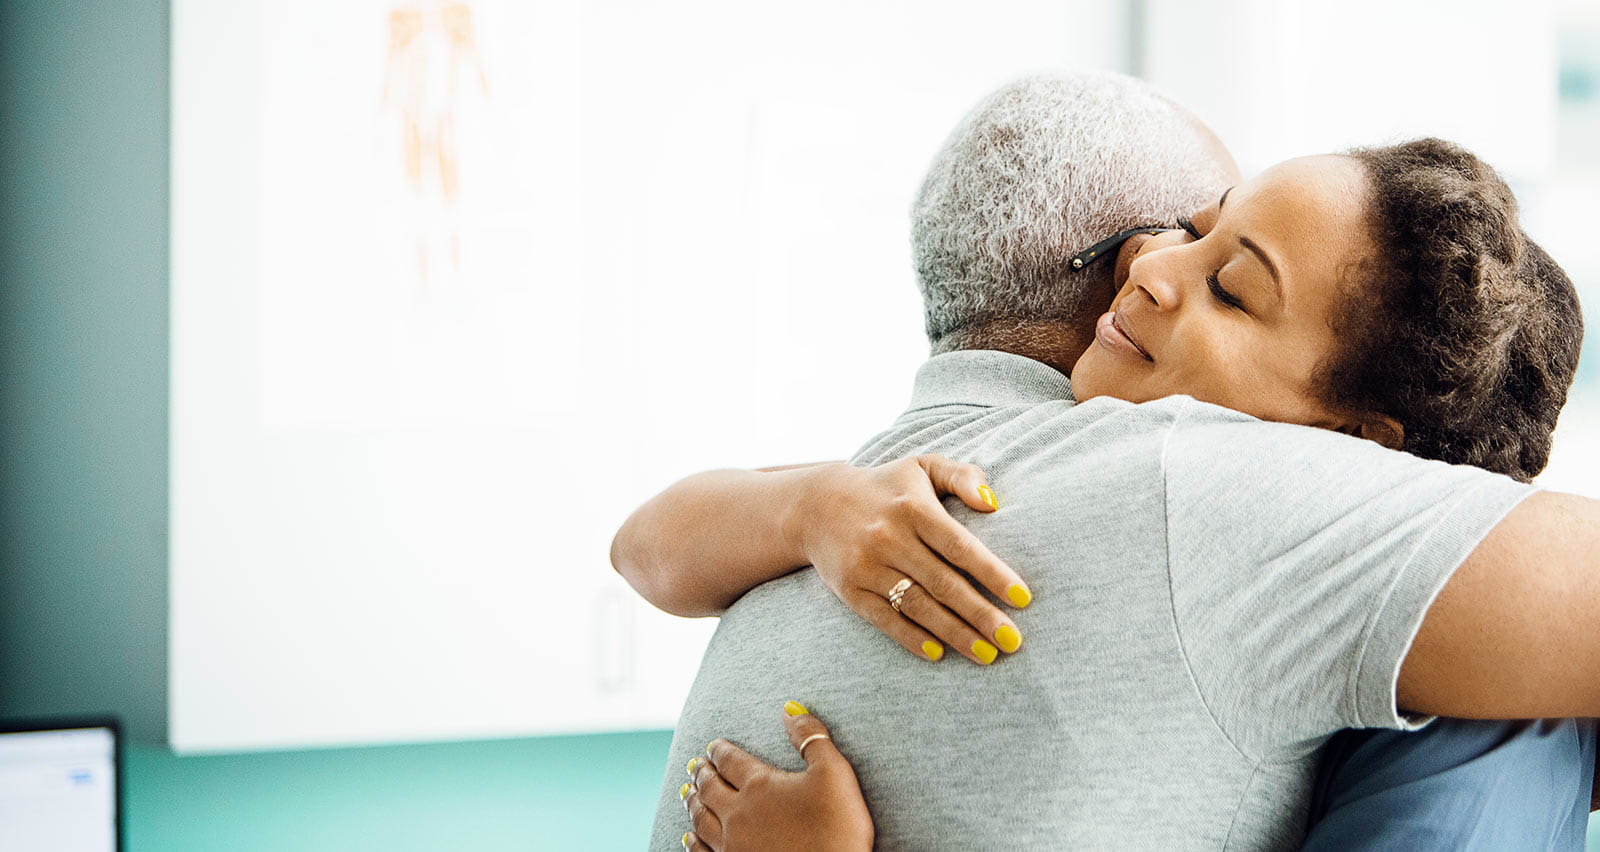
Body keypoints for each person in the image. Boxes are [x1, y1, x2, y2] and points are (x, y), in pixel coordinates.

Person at [614, 75, 1595, 849]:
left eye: (1234, 287)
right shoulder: (1180, 487)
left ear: (1362, 447)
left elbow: (642, 548)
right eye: (1186, 230)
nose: (1150, 267)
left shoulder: (891, 475)